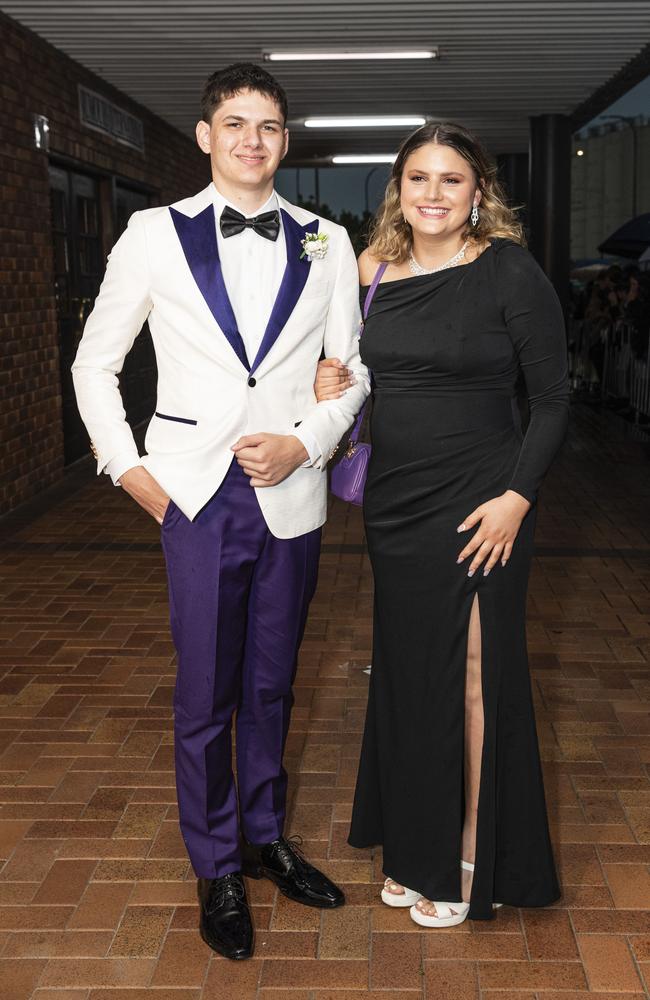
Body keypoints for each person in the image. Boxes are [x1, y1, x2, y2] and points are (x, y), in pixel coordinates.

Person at [72, 62, 369, 960]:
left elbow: (351, 374)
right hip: (194, 497)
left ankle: (265, 835)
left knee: (273, 683)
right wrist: (130, 470)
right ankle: (216, 867)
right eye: (234, 123)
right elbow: (95, 364)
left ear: (286, 139)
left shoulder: (327, 240)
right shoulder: (151, 234)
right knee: (206, 690)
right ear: (205, 136)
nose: (252, 140)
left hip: (293, 495)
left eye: (269, 126)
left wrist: (308, 440)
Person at [316, 121, 568, 926]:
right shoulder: (372, 271)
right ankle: (413, 844)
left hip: (483, 503)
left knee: (471, 673)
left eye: (450, 179)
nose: (432, 193)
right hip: (395, 503)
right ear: (399, 189)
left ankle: (465, 854)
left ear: (478, 193)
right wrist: (331, 373)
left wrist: (517, 499)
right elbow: (342, 366)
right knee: (407, 670)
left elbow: (555, 398)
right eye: (417, 178)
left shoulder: (507, 272)